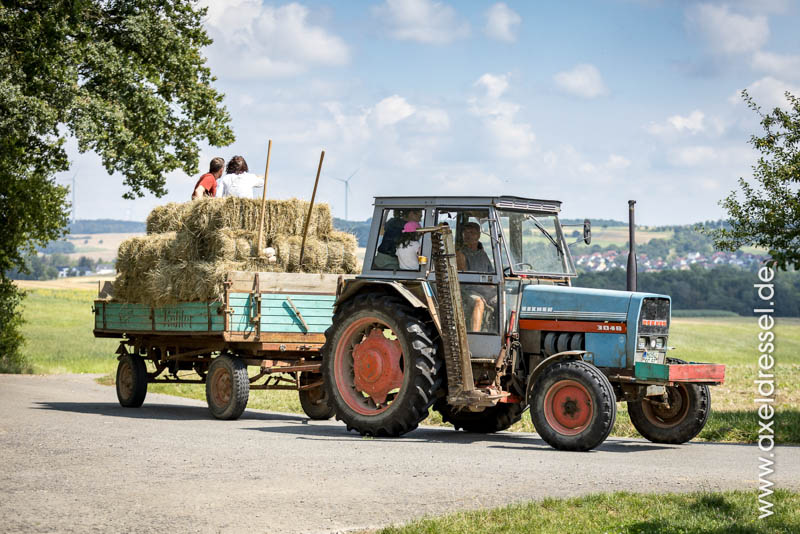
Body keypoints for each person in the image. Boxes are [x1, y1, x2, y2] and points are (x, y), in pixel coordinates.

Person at [456, 221, 496, 331]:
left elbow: (491, 273)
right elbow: (464, 279)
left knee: (500, 300)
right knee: (478, 301)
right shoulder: (460, 254)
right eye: (466, 232)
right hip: (468, 290)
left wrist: (492, 287)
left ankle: (498, 333)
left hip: (485, 289)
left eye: (472, 232)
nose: (468, 235)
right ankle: (476, 335)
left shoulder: (482, 254)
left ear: (478, 235)